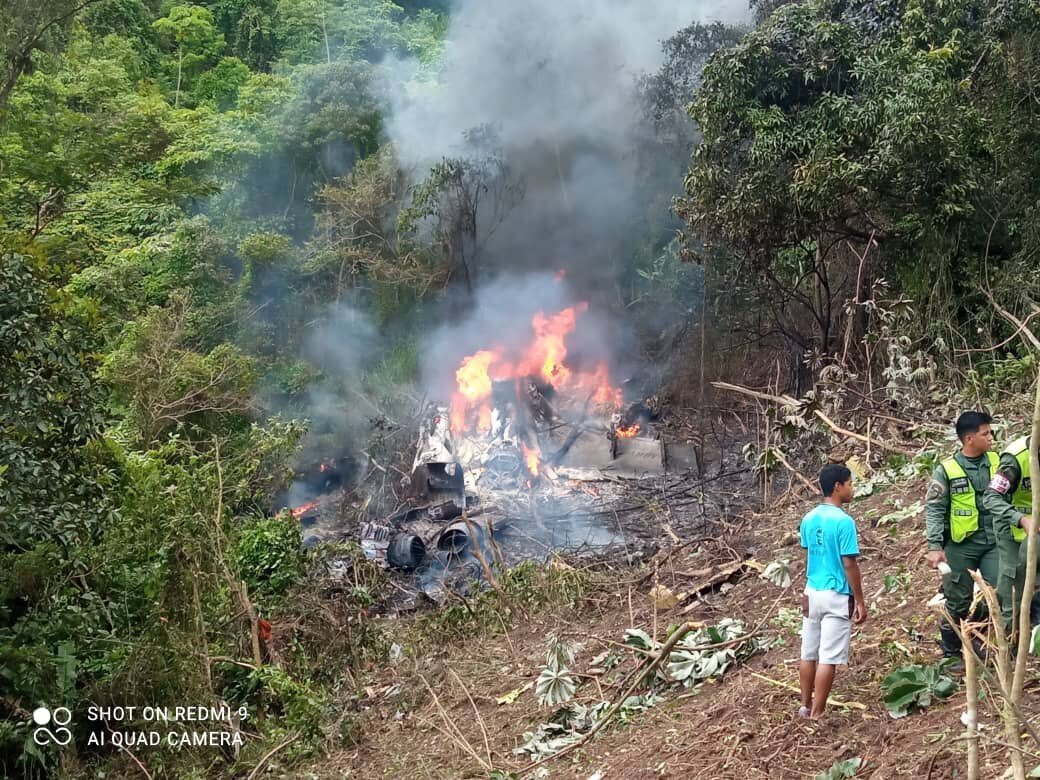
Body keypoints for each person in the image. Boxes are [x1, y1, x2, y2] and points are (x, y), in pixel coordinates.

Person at [923, 411, 1000, 664]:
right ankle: (951, 653)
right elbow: (935, 508)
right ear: (969, 439)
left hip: (993, 542)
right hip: (960, 546)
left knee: (998, 592)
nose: (991, 437)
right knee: (957, 600)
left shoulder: (998, 462)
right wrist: (934, 546)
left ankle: (977, 635)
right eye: (985, 433)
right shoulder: (947, 470)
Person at [799, 464, 867, 719]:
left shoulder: (808, 518)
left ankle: (805, 706)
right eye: (850, 483)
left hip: (811, 592)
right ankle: (817, 714)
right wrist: (859, 599)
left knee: (808, 652)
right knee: (828, 657)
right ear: (838, 486)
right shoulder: (844, 522)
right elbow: (849, 563)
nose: (852, 488)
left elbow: (809, 553)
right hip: (836, 594)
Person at [982, 431, 1040, 633]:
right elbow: (990, 497)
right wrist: (1020, 519)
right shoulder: (1014, 459)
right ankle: (1008, 639)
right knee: (1013, 586)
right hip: (1012, 529)